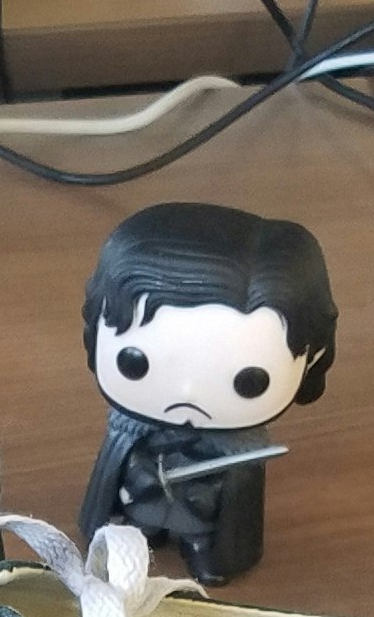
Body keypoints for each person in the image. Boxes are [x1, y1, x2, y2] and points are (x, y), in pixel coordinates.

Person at [76, 203, 336, 583]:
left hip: (199, 505)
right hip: (146, 495)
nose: (188, 394)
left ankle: (203, 549)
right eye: (135, 362)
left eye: (249, 381)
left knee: (201, 526)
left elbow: (235, 492)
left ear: (313, 355)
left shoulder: (240, 448)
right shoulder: (129, 430)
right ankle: (142, 535)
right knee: (140, 520)